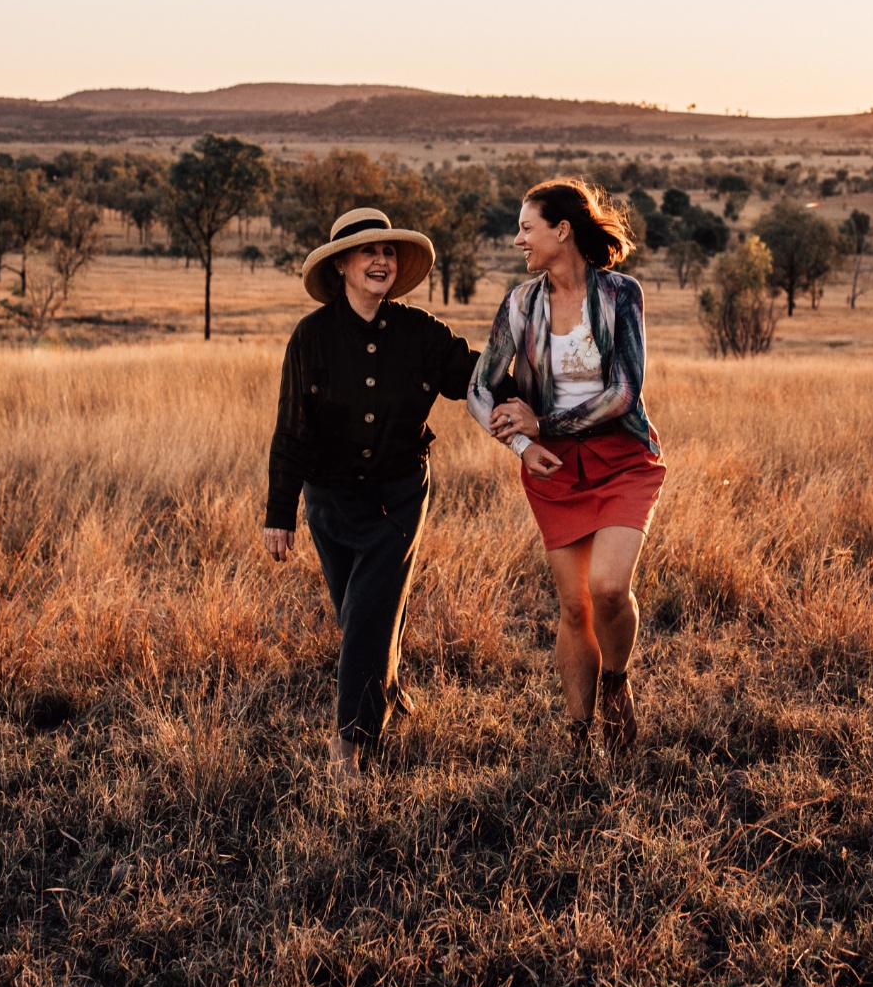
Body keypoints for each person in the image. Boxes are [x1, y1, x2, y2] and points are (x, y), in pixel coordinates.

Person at [264, 207, 479, 777]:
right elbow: (292, 428)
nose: (381, 260)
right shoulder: (311, 337)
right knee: (356, 608)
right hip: (330, 500)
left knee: (367, 612)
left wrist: (532, 370)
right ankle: (387, 685)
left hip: (398, 497)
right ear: (341, 267)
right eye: (367, 252)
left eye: (388, 252)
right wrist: (279, 511)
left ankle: (349, 745)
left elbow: (474, 377)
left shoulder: (421, 334)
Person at [469, 179, 665, 756]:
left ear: (562, 231)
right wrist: (522, 448)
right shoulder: (520, 304)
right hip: (552, 468)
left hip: (621, 457)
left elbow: (625, 392)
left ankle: (616, 682)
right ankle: (579, 739)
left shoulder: (620, 295)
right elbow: (480, 389)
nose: (517, 239)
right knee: (575, 606)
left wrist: (543, 424)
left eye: (526, 228)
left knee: (607, 588)